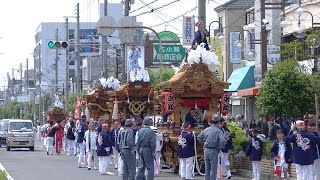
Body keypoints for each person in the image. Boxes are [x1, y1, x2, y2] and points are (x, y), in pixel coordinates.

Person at [197, 114, 226, 180]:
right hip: (214, 150)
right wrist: (220, 147)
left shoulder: (207, 129)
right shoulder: (219, 131)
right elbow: (223, 140)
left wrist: (204, 142)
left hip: (206, 150)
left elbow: (199, 137)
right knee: (213, 169)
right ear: (219, 122)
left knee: (207, 168)